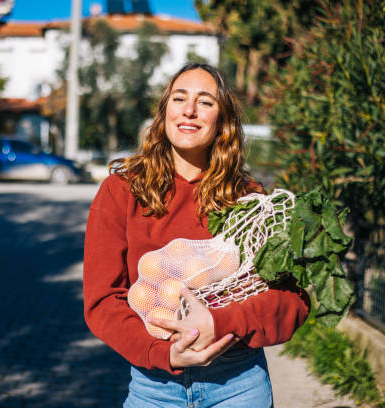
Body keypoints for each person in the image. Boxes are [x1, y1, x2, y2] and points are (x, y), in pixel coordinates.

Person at [83, 62, 310, 408]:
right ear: (164, 113)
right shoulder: (122, 191)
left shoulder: (249, 199)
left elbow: (290, 300)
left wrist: (219, 323)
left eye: (205, 102)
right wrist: (162, 352)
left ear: (224, 121)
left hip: (238, 385)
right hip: (154, 385)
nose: (189, 110)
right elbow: (102, 301)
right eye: (179, 98)